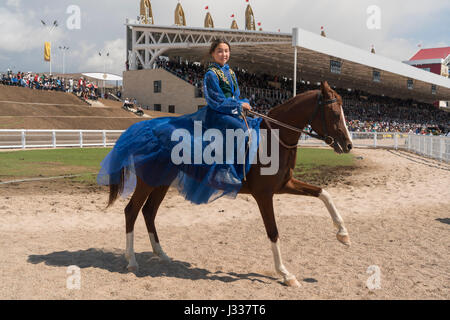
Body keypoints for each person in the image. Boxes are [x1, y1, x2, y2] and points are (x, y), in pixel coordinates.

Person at [97, 38, 262, 204]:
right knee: (241, 131)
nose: (224, 54)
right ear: (213, 53)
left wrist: (242, 104)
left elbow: (236, 95)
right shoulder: (211, 74)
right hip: (217, 114)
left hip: (230, 112)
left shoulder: (231, 73)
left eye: (226, 51)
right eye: (220, 51)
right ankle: (225, 170)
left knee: (254, 127)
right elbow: (215, 100)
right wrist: (238, 104)